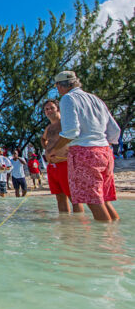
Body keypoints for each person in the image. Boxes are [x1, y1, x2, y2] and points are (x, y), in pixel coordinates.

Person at [48, 71, 121, 221]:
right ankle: (114, 235)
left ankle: (104, 241)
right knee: (104, 200)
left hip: (84, 153)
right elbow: (115, 131)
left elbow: (71, 132)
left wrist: (54, 150)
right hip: (105, 152)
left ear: (59, 86)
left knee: (93, 202)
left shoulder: (68, 99)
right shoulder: (96, 99)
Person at [41, 99, 84, 213]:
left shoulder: (65, 123)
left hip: (65, 163)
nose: (49, 111)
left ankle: (80, 226)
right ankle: (65, 227)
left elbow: (75, 136)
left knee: (73, 198)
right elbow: (43, 139)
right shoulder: (49, 128)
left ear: (58, 109)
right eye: (46, 109)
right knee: (59, 197)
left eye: (51, 108)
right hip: (52, 166)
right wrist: (47, 149)